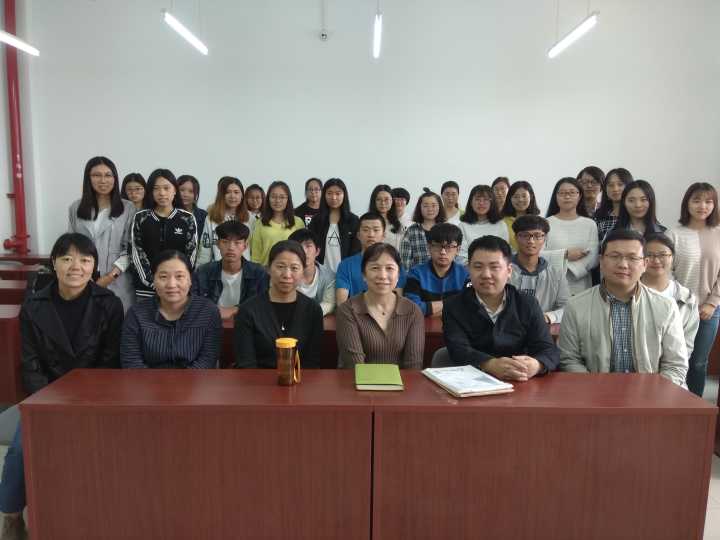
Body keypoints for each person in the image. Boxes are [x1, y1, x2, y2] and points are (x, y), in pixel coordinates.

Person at [0, 233, 123, 539]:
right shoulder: (33, 306)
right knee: (19, 450)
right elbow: (30, 364)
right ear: (54, 263)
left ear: (94, 265)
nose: (75, 266)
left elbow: (110, 362)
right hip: (45, 398)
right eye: (67, 259)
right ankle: (11, 515)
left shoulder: (109, 304)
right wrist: (50, 404)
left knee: (104, 451)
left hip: (95, 398)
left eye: (84, 259)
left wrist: (83, 403)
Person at [558, 229, 688, 386]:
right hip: (595, 392)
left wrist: (651, 394)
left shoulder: (666, 306)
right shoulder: (576, 306)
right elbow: (569, 359)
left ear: (645, 264)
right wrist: (595, 389)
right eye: (614, 256)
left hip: (651, 394)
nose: (623, 265)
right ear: (601, 261)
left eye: (632, 258)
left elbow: (675, 365)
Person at [442, 235, 559, 380]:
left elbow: (548, 349)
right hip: (471, 382)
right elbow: (458, 350)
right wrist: (489, 364)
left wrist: (536, 365)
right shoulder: (454, 305)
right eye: (478, 267)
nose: (486, 275)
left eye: (494, 267)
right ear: (468, 269)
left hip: (522, 381)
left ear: (509, 271)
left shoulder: (527, 303)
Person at [122, 250, 221, 368]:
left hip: (195, 378)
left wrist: (184, 380)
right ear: (154, 280)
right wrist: (154, 380)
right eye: (163, 277)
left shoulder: (208, 312)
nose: (171, 284)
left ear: (190, 280)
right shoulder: (137, 313)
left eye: (179, 276)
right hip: (146, 378)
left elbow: (207, 361)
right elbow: (131, 361)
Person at [234, 241, 323, 368]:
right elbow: (246, 363)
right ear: (268, 269)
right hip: (256, 379)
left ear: (303, 271)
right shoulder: (248, 310)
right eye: (280, 267)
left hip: (301, 379)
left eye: (294, 268)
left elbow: (312, 363)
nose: (287, 275)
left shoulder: (313, 310)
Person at [337, 243, 424, 368]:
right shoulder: (348, 310)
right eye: (375, 268)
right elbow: (355, 366)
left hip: (402, 381)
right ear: (364, 275)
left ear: (398, 275)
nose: (382, 276)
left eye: (389, 268)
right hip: (357, 379)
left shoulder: (412, 311)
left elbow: (413, 366)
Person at [670, 182, 720, 397]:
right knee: (676, 359)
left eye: (708, 201)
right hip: (678, 307)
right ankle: (672, 403)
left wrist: (712, 303)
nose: (703, 206)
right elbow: (667, 272)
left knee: (699, 362)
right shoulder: (673, 234)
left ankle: (695, 405)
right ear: (687, 203)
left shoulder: (718, 233)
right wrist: (685, 301)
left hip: (710, 310)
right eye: (696, 200)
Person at [68, 156, 136, 311]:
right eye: (96, 175)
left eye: (108, 175)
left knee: (118, 320)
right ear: (88, 178)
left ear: (115, 178)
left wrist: (110, 276)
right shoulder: (75, 208)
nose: (103, 180)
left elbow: (130, 249)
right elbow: (71, 247)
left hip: (118, 280)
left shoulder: (128, 208)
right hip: (83, 279)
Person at [130, 169, 198, 299]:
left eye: (166, 188)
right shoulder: (141, 217)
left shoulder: (187, 218)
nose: (162, 193)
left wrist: (178, 280)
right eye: (156, 189)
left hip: (177, 288)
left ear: (175, 190)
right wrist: (153, 282)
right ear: (151, 192)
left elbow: (191, 254)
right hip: (146, 290)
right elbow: (136, 253)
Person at [192, 221, 266, 320]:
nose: (231, 248)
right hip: (210, 323)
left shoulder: (258, 273)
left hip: (246, 324)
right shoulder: (203, 272)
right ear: (218, 244)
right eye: (225, 242)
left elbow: (262, 306)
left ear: (245, 246)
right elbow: (194, 304)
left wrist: (233, 310)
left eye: (237, 243)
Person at [641, 233, 699, 357]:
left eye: (662, 255)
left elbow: (687, 345)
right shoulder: (628, 292)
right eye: (649, 255)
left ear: (672, 257)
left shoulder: (687, 298)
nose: (656, 260)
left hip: (673, 365)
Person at [509, 215, 569, 323]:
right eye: (525, 235)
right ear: (516, 237)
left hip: (543, 328)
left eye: (537, 236)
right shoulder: (503, 270)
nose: (531, 241)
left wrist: (548, 317)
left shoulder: (556, 274)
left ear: (545, 238)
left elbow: (567, 307)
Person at [336, 212, 406, 304]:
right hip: (355, 312)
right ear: (358, 235)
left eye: (376, 230)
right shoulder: (345, 265)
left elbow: (398, 301)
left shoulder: (394, 264)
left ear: (383, 235)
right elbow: (342, 303)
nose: (371, 235)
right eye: (366, 230)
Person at [544, 177, 598, 295]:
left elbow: (593, 257)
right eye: (562, 193)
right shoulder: (545, 223)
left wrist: (571, 270)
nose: (567, 196)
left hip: (581, 285)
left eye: (572, 192)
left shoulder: (590, 224)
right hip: (551, 283)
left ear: (580, 196)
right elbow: (539, 254)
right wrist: (565, 254)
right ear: (556, 196)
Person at [404, 223, 469, 317]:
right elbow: (412, 308)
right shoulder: (415, 273)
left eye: (449, 247)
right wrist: (452, 305)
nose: (443, 252)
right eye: (437, 246)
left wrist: (428, 310)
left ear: (458, 250)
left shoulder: (466, 275)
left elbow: (469, 308)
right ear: (429, 247)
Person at [307, 178, 360, 273]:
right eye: (329, 193)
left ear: (344, 195)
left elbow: (356, 250)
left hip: (345, 273)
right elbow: (311, 246)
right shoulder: (316, 220)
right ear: (324, 195)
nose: (333, 197)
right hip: (321, 273)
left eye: (338, 193)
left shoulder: (353, 220)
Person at [197, 176, 253, 265]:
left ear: (242, 195)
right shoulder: (211, 218)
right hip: (218, 269)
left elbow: (254, 250)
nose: (232, 196)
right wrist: (200, 270)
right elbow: (205, 249)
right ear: (222, 196)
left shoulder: (250, 218)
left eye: (236, 192)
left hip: (245, 269)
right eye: (228, 192)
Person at [250, 181, 305, 266]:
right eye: (273, 197)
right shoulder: (260, 223)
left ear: (288, 199)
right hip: (266, 271)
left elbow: (303, 251)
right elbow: (255, 255)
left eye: (282, 197)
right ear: (268, 198)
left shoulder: (298, 222)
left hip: (291, 271)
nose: (277, 200)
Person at [288, 228, 336, 316]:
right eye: (298, 246)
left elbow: (329, 304)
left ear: (317, 251)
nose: (303, 251)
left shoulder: (329, 276)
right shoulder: (286, 275)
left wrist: (308, 316)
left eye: (308, 246)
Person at [458, 184, 508, 263]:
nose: (481, 203)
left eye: (485, 199)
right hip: (471, 267)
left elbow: (505, 252)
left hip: (496, 266)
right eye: (477, 199)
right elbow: (461, 255)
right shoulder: (463, 226)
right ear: (471, 202)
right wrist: (476, 267)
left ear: (492, 202)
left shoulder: (501, 225)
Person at [400, 189, 446, 270]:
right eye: (425, 206)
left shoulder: (447, 229)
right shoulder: (411, 231)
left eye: (434, 205)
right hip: (418, 276)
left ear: (439, 207)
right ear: (420, 208)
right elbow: (405, 262)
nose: (430, 209)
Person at [594, 167, 634, 241]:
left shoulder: (636, 215)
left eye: (620, 184)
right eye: (610, 185)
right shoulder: (598, 217)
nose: (615, 189)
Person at [500, 180, 541, 252]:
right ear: (510, 199)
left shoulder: (539, 222)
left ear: (531, 197)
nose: (520, 200)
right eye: (516, 197)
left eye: (524, 196)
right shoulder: (502, 223)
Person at [368, 184, 405, 251]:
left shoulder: (398, 224)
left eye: (386, 199)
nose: (383, 203)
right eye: (379, 199)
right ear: (374, 201)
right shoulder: (367, 222)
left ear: (392, 201)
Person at [177, 174, 208, 242]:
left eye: (191, 191)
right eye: (182, 190)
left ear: (196, 194)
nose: (186, 194)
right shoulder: (169, 213)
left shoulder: (204, 216)